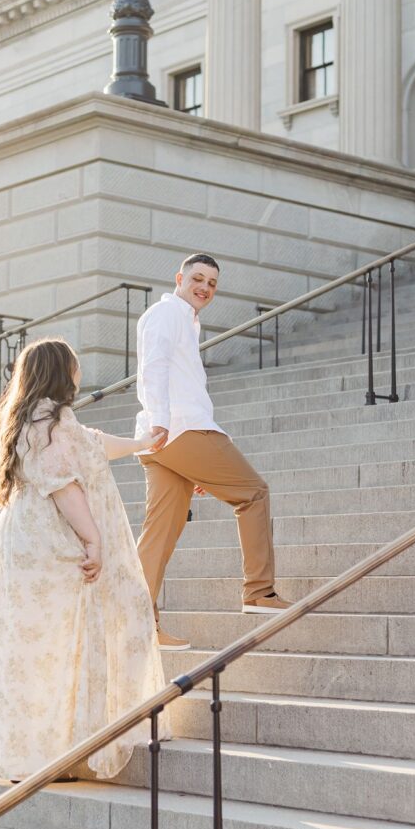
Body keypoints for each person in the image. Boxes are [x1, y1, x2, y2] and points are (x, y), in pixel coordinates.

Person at [0, 337, 168, 783]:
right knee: (66, 644)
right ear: (60, 371)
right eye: (74, 365)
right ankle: (63, 755)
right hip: (50, 540)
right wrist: (94, 540)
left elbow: (92, 444)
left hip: (21, 542)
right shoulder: (54, 418)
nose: (78, 373)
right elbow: (65, 485)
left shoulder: (29, 417)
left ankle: (32, 756)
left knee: (33, 651)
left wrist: (144, 442)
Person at [135, 253, 291, 651]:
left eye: (212, 284)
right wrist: (161, 423)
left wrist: (189, 460)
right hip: (179, 428)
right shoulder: (167, 313)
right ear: (179, 278)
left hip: (170, 437)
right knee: (253, 493)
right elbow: (152, 366)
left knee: (159, 534)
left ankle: (138, 624)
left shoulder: (186, 319)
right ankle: (259, 592)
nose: (204, 287)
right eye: (198, 279)